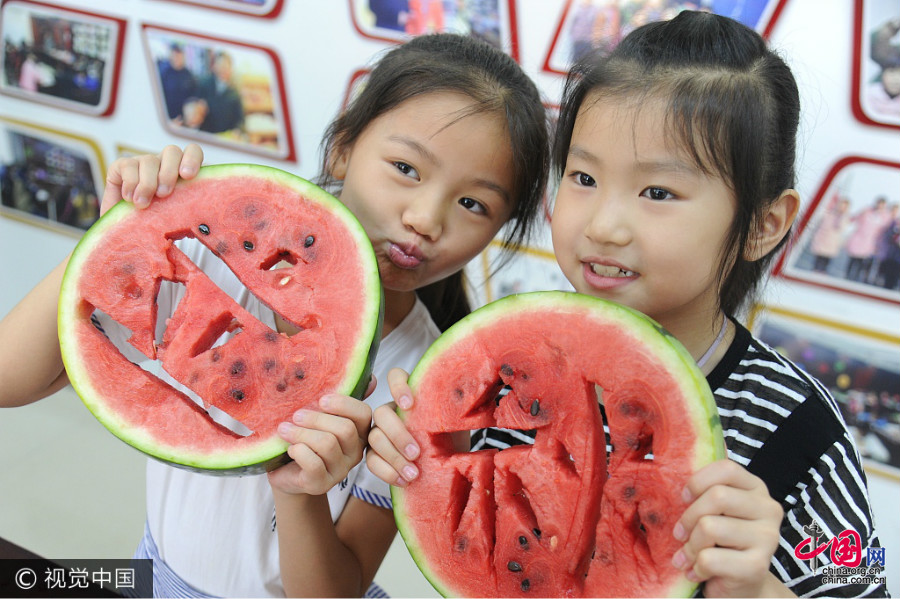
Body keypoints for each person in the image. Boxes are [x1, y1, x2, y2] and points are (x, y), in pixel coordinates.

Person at [0, 33, 550, 597]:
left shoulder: (429, 387)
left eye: (473, 204)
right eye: (406, 168)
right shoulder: (201, 256)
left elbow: (337, 590)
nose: (426, 218)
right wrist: (120, 235)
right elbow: (10, 380)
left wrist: (300, 491)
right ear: (342, 148)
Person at [367, 11, 889, 598]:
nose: (605, 226)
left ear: (764, 225)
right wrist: (438, 466)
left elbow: (861, 584)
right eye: (584, 178)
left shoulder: (800, 428)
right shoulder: (499, 377)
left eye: (657, 192)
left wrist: (759, 590)